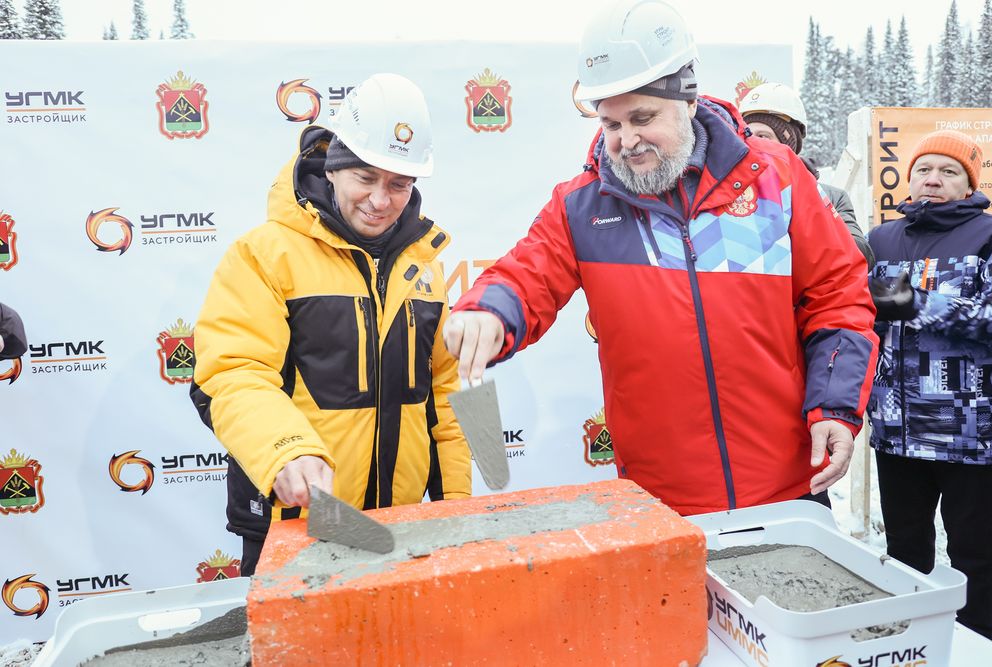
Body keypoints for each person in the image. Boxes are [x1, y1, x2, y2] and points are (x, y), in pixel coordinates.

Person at [443, 0, 877, 516]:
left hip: (788, 490)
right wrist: (490, 310)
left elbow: (838, 296)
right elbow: (526, 274)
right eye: (611, 124)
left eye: (643, 117)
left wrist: (835, 405)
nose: (626, 141)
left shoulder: (777, 180)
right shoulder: (583, 206)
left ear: (688, 99)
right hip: (662, 505)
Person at [191, 73, 471, 575]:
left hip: (396, 529)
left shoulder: (424, 267)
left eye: (398, 184)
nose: (380, 200)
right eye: (365, 178)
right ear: (334, 167)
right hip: (296, 526)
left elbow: (444, 397)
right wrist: (285, 452)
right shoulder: (264, 254)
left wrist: (457, 508)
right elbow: (232, 375)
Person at [866, 129, 992, 639]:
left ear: (969, 184)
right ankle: (909, 640)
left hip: (972, 434)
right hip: (897, 429)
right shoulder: (881, 239)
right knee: (904, 549)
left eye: (948, 172)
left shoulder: (990, 234)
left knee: (974, 555)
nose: (933, 180)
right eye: (924, 169)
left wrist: (909, 302)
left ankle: (972, 642)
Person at [738, 82, 875, 269]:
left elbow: (860, 254)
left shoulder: (832, 197)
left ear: (789, 144)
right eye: (748, 136)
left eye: (763, 137)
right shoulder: (736, 197)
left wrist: (807, 193)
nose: (754, 144)